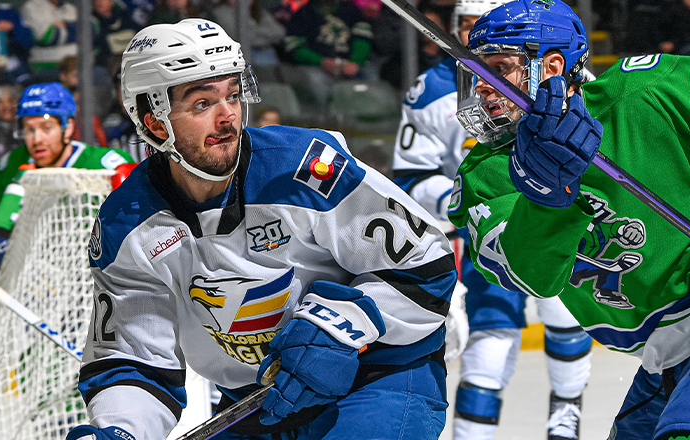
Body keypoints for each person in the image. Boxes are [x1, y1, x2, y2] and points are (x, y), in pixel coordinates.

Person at [448, 1, 690, 439]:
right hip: (664, 360)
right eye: (475, 72)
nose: (480, 86)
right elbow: (532, 277)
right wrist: (545, 199)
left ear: (552, 67)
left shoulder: (642, 90)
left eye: (498, 69)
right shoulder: (483, 175)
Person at [65, 19, 456, 440]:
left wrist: (339, 325)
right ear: (156, 124)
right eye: (202, 103)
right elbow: (134, 361)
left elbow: (427, 265)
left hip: (376, 376)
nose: (228, 116)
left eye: (233, 95)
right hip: (258, 403)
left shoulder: (304, 169)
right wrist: (120, 431)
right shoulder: (127, 225)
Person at [392, 0, 591, 438]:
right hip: (485, 222)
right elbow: (412, 177)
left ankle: (566, 411)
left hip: (559, 219)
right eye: (468, 24)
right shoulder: (432, 89)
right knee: (491, 340)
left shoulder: (561, 76)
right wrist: (463, 201)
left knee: (567, 316)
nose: (475, 35)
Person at [0, 82, 133, 267]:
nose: (37, 139)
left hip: (92, 276)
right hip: (37, 278)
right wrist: (0, 242)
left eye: (46, 128)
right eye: (29, 129)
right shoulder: (15, 163)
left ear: (68, 128)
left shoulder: (104, 164)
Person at [21, 0, 79, 72]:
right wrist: (75, 28)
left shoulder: (70, 8)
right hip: (48, 67)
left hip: (77, 65)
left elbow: (89, 30)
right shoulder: (31, 7)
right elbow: (47, 37)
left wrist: (66, 25)